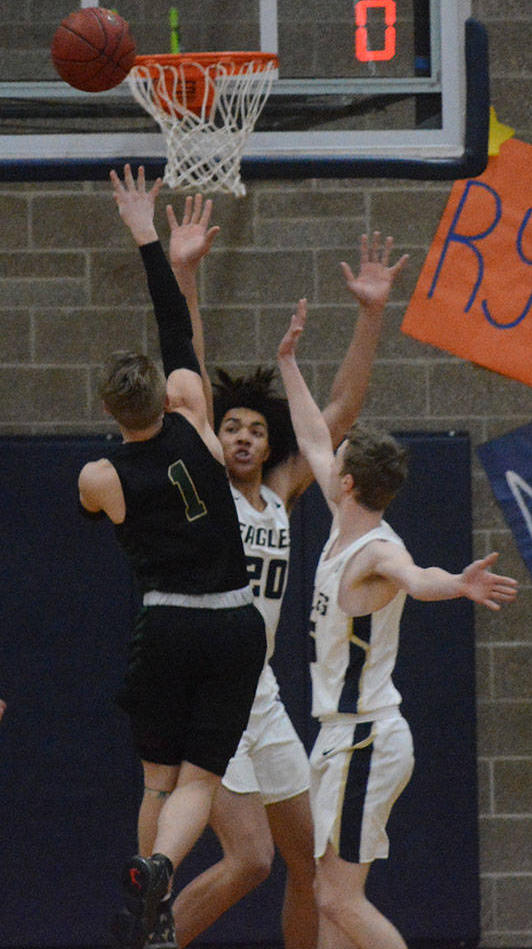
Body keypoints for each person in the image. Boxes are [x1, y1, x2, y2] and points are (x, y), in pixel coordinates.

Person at [162, 214, 408, 949]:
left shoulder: (282, 494)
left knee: (310, 867)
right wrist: (184, 274)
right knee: (251, 861)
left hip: (261, 692)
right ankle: (152, 936)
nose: (240, 435)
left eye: (254, 430)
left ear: (270, 445)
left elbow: (339, 414)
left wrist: (370, 317)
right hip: (208, 687)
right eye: (230, 425)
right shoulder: (203, 485)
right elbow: (187, 380)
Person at [276, 299, 519, 949]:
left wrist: (456, 585)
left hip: (366, 739)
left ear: (348, 484)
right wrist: (287, 363)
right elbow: (311, 437)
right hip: (337, 739)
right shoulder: (341, 509)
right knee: (330, 901)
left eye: (340, 461)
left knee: (336, 897)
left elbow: (417, 577)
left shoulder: (377, 551)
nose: (329, 461)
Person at [77, 165, 266, 949]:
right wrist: (151, 237)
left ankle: (147, 891)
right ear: (165, 395)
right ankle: (158, 875)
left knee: (159, 778)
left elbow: (103, 489)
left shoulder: (99, 477)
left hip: (168, 628)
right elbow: (176, 332)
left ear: (111, 409)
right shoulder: (195, 416)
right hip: (234, 625)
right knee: (202, 780)